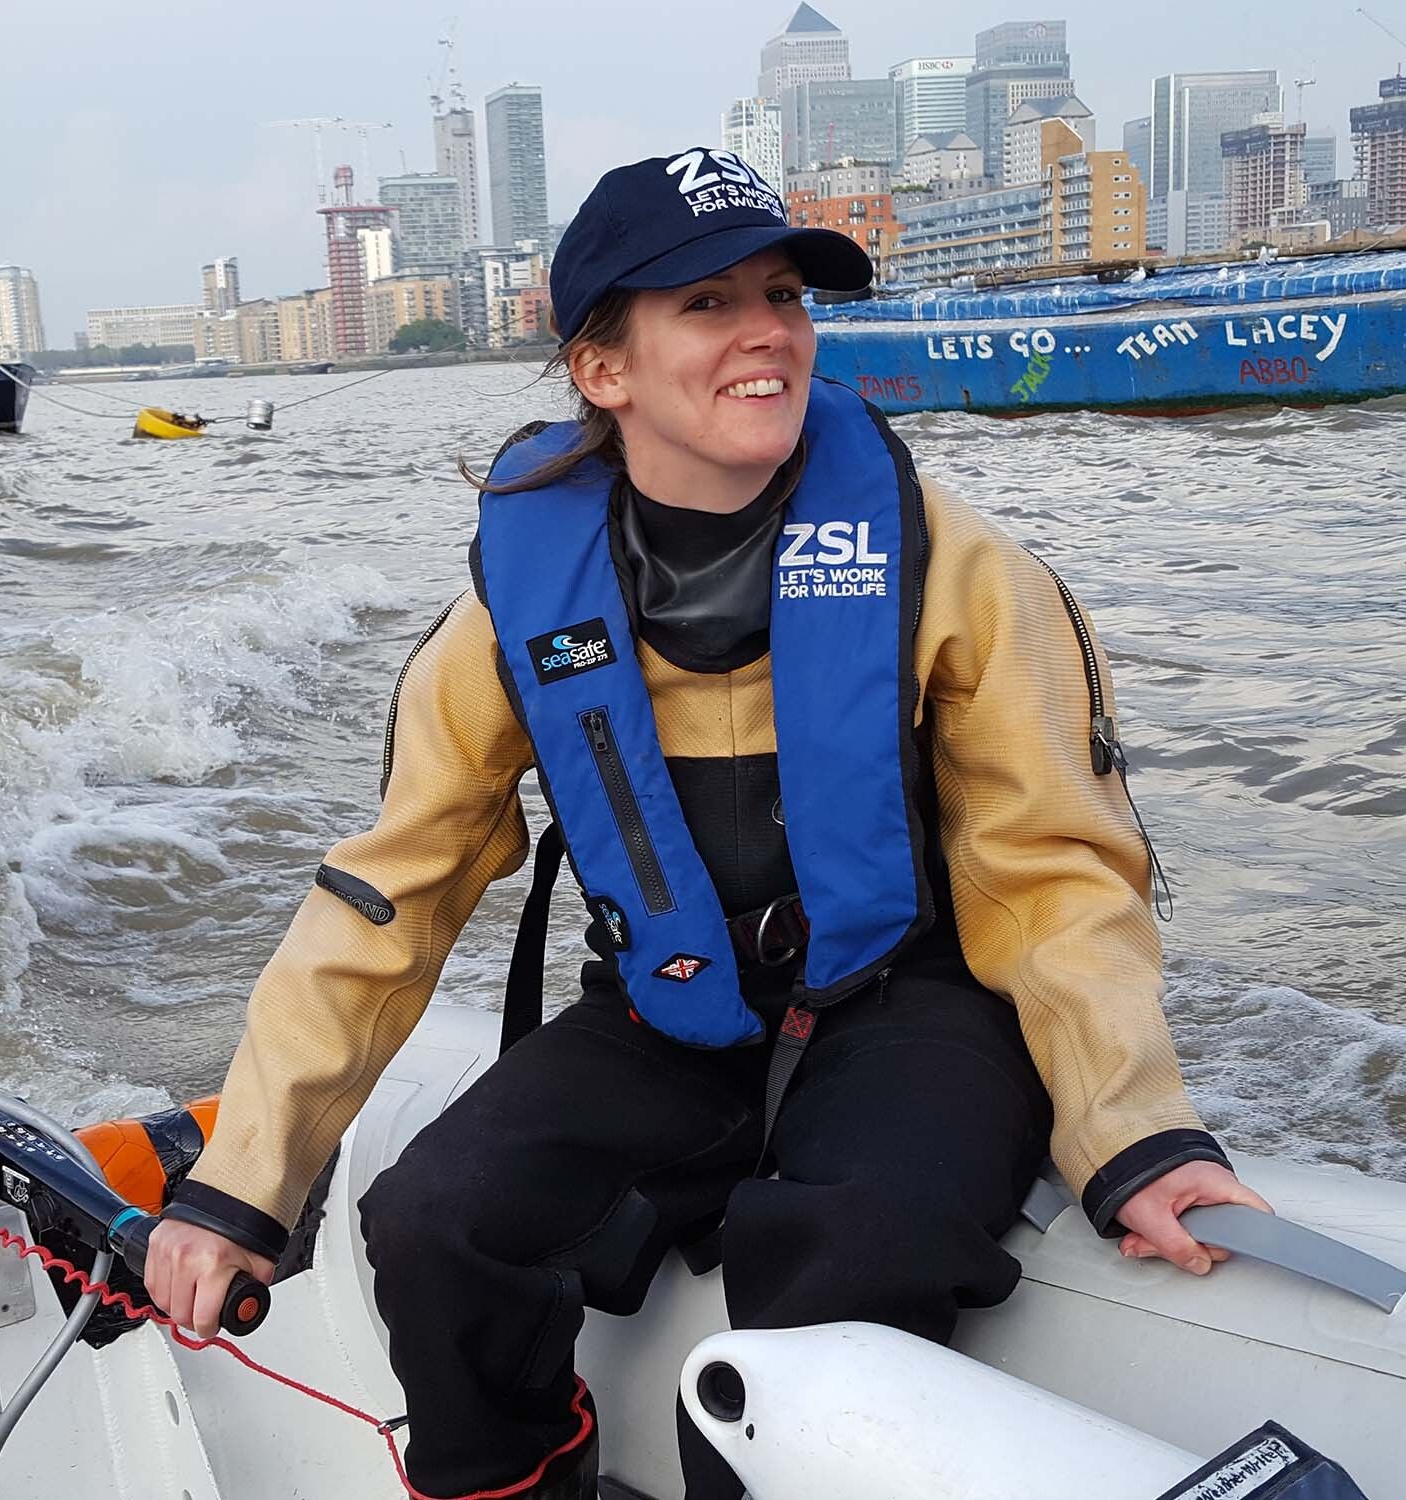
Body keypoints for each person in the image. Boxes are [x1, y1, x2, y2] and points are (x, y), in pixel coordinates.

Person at [142, 146, 1271, 1499]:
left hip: (907, 998)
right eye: (708, 304)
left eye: (783, 296)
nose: (766, 336)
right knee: (435, 1223)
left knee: (850, 1254)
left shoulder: (959, 568)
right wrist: (241, 1188)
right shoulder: (510, 611)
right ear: (602, 370)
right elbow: (395, 896)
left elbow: (1055, 874)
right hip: (668, 1006)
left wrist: (1133, 1133)